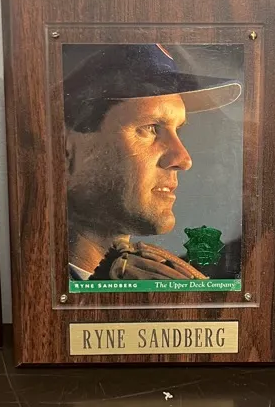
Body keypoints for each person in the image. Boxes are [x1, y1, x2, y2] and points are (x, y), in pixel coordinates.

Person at [63, 44, 241, 280]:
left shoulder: (145, 279)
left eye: (178, 130)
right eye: (151, 128)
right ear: (66, 151)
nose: (183, 159)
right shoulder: (32, 283)